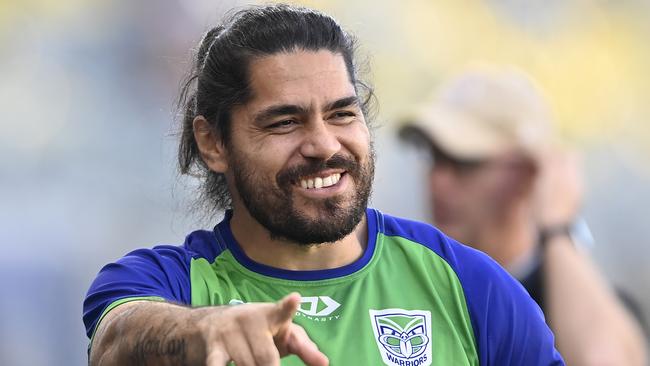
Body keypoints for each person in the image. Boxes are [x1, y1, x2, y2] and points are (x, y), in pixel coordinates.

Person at [83, 5, 565, 365]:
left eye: (342, 114)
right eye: (284, 122)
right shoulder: (169, 283)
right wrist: (203, 328)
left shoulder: (469, 286)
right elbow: (116, 340)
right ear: (213, 143)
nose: (323, 144)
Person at [399, 67, 647, 366]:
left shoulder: (575, 302)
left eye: (463, 162)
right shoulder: (412, 288)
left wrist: (557, 227)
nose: (437, 181)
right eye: (434, 156)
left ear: (529, 173)